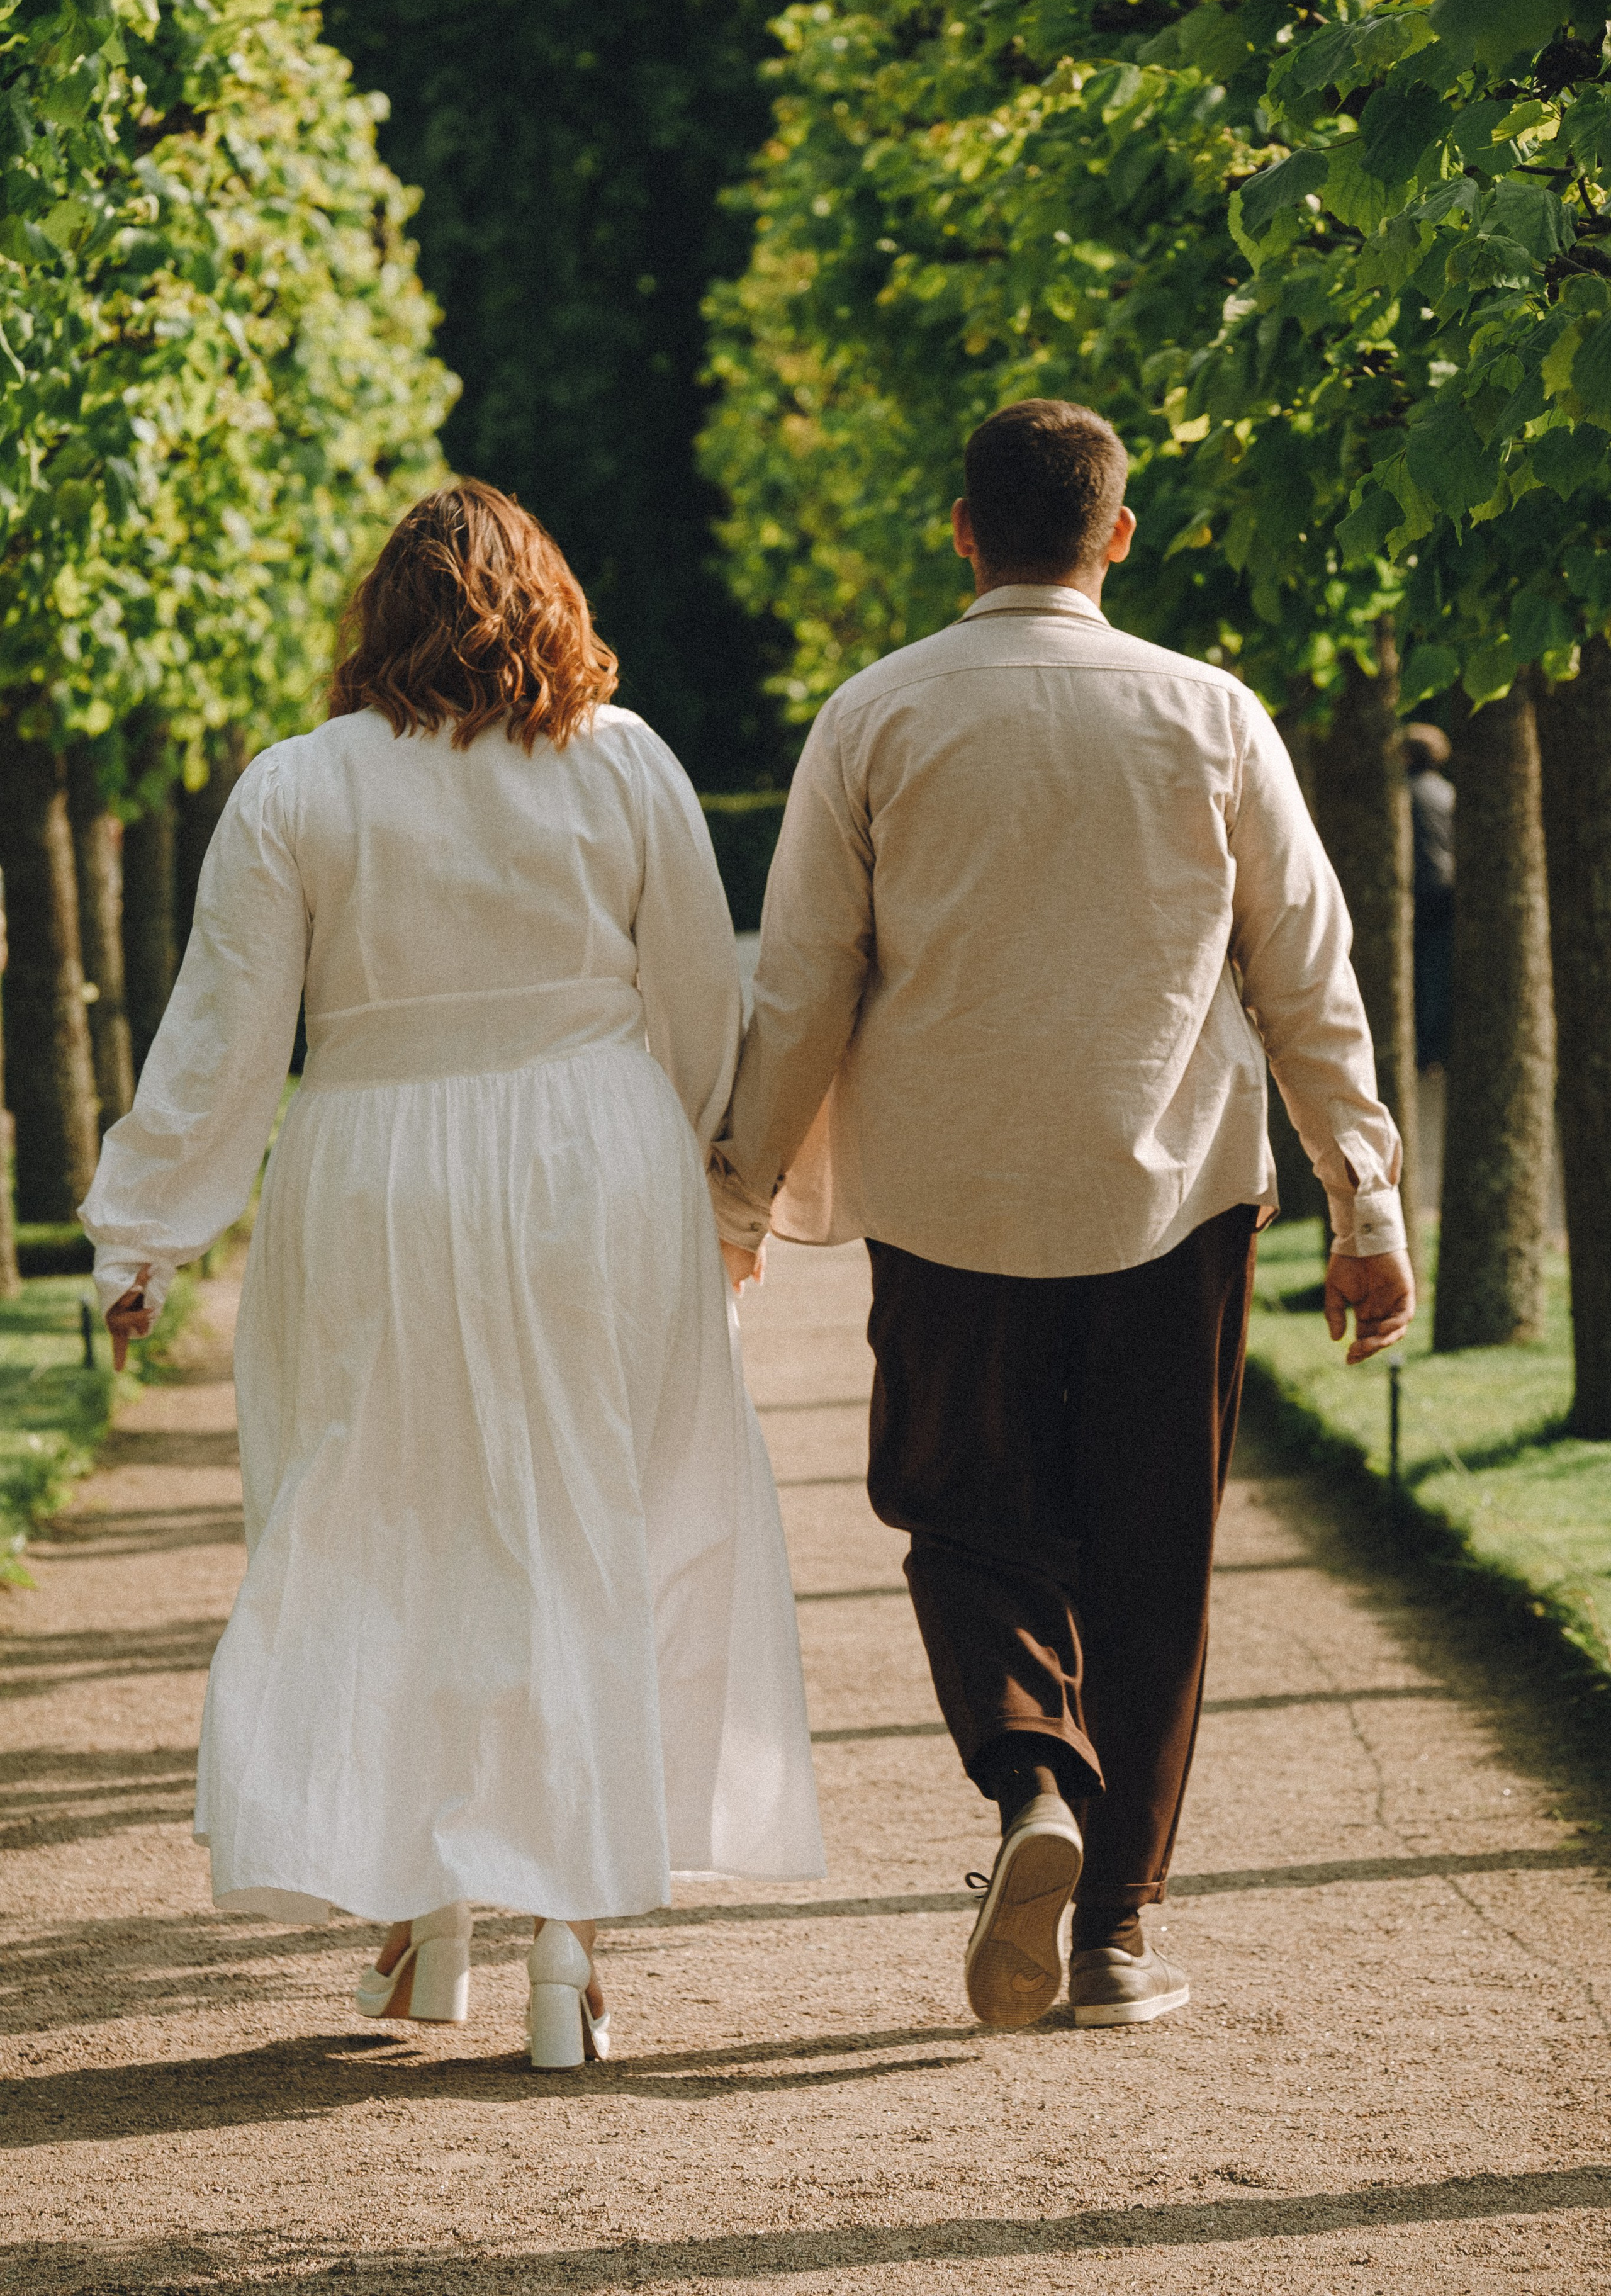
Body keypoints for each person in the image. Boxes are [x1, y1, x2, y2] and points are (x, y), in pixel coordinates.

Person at [81, 481, 824, 2069]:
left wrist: (145, 1231)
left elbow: (223, 1035)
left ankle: (423, 1905)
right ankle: (565, 1939)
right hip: (592, 1157)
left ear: (380, 620)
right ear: (551, 603)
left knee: (383, 1521)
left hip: (374, 1170)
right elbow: (700, 1001)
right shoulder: (623, 761)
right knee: (595, 1518)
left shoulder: (299, 786)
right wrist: (711, 1182)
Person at [709, 399, 1413, 2034]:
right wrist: (1364, 1196)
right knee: (1153, 1548)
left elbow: (803, 984)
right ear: (1119, 531)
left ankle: (1032, 1776)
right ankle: (1114, 1934)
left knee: (964, 1514)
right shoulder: (1210, 713)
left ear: (962, 530)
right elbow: (1305, 974)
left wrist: (742, 1195)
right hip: (1171, 1196)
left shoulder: (875, 716)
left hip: (948, 1197)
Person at [1405, 721, 1455, 1072]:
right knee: (1435, 969)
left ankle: (1419, 1047)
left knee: (1416, 971)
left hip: (1418, 890)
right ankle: (1433, 1048)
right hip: (1445, 888)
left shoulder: (1402, 794)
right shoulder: (1448, 793)